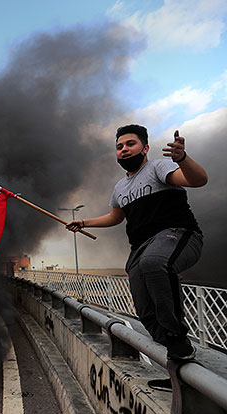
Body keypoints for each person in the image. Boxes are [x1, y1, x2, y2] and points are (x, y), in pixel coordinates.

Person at [66, 124, 208, 360]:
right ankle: (177, 360)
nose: (124, 150)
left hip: (177, 234)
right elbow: (115, 216)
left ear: (145, 148)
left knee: (154, 262)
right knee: (145, 310)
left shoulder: (158, 167)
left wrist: (182, 158)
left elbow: (198, 180)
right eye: (119, 147)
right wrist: (84, 222)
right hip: (140, 250)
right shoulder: (120, 187)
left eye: (130, 144)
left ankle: (177, 337)